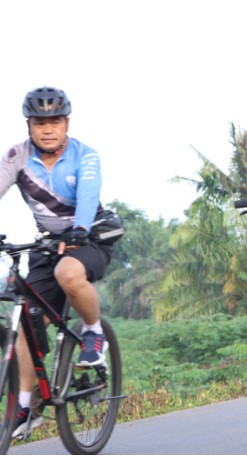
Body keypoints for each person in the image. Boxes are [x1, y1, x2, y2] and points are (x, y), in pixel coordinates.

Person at [0, 87, 115, 437]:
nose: (47, 129)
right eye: (39, 123)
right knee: (22, 315)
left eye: (54, 122)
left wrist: (78, 230)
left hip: (91, 235)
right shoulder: (17, 156)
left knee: (68, 272)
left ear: (66, 123)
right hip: (48, 244)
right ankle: (25, 406)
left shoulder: (86, 155)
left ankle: (94, 333)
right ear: (29, 125)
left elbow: (88, 195)